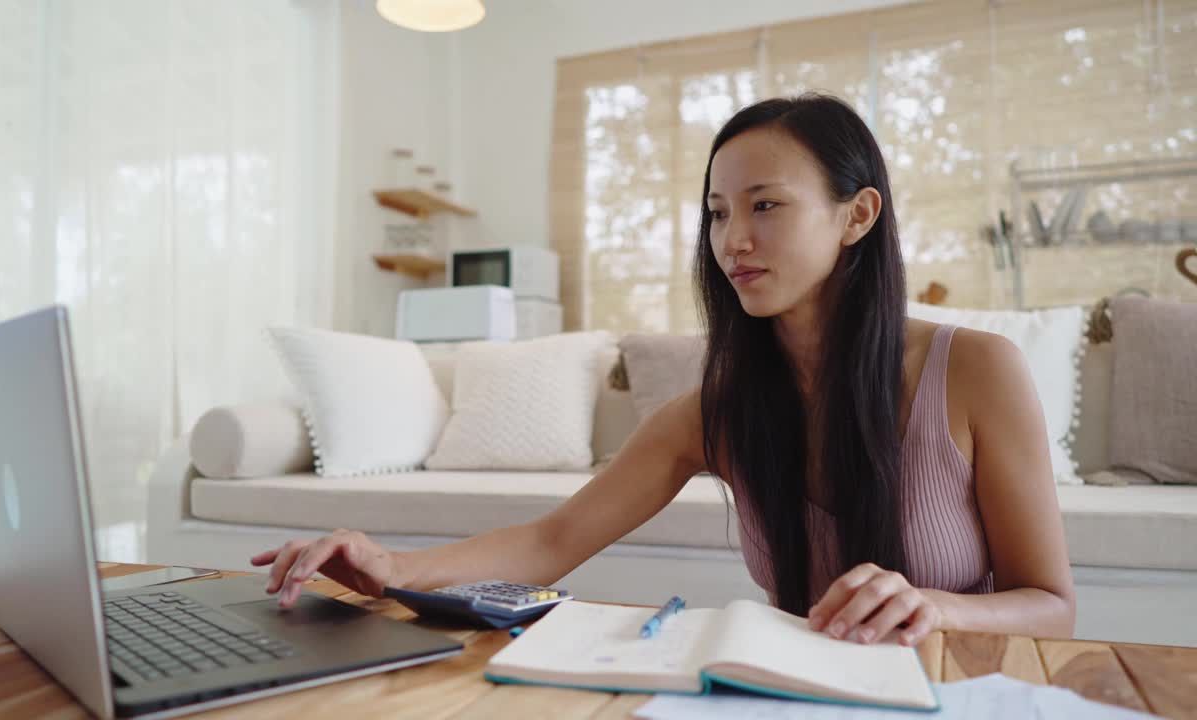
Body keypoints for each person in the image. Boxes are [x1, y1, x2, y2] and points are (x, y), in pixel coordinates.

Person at [252, 94, 1075, 647]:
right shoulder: (713, 412)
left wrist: (934, 608)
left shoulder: (976, 371)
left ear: (856, 214)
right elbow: (550, 539)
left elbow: (1053, 606)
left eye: (765, 205)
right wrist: (389, 567)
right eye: (717, 214)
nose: (732, 242)